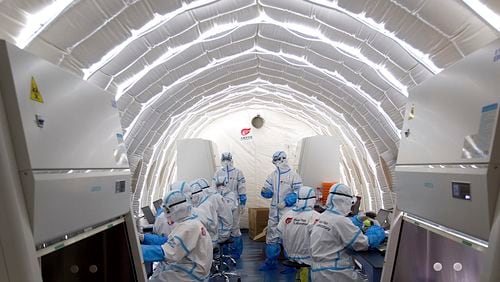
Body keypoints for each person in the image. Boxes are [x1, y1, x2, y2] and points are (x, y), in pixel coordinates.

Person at [310, 183, 386, 281]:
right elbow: (363, 243)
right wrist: (377, 230)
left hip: (319, 272)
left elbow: (341, 226)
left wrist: (358, 219)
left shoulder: (323, 216)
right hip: (334, 274)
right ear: (345, 201)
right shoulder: (340, 221)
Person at [141, 190, 213, 281]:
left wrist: (136, 250)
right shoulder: (190, 221)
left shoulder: (188, 227)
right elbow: (168, 241)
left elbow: (168, 253)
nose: (166, 215)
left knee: (157, 278)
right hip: (194, 268)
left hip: (191, 274)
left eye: (167, 211)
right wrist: (143, 238)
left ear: (177, 209)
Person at [259, 151, 302, 271]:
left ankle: (291, 264)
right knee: (272, 236)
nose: (276, 163)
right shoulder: (272, 175)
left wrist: (286, 202)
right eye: (275, 161)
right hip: (274, 212)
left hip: (287, 212)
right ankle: (271, 262)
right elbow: (268, 190)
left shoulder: (293, 175)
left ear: (283, 159)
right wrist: (265, 192)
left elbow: (298, 192)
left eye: (278, 160)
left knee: (288, 237)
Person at [213, 152, 246, 259]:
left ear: (231, 159)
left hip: (234, 204)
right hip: (220, 205)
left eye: (228, 159)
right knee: (222, 227)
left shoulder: (238, 173)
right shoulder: (218, 173)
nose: (226, 161)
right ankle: (224, 252)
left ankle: (236, 253)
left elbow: (242, 187)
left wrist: (242, 202)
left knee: (234, 228)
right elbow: (213, 188)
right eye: (224, 159)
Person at [277, 186, 320, 266]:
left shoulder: (287, 215)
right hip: (309, 259)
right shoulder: (315, 217)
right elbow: (320, 239)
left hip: (290, 257)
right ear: (313, 199)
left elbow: (279, 233)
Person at [189, 178, 232, 246]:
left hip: (221, 232)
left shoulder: (212, 199)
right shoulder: (210, 198)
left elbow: (224, 218)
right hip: (218, 229)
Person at [213, 175, 236, 246]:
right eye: (219, 185)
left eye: (222, 185)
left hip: (224, 230)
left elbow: (229, 209)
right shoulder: (216, 196)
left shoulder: (230, 195)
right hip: (221, 227)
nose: (220, 187)